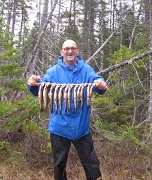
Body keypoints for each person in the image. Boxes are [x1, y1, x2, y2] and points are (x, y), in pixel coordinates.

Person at [27, 39, 107, 180]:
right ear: (61, 52)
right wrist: (33, 84)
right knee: (59, 165)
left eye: (73, 48)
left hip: (81, 128)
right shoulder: (53, 72)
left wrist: (100, 84)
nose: (70, 51)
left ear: (77, 51)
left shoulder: (87, 70)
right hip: (59, 128)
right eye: (67, 48)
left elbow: (97, 81)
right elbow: (40, 87)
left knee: (92, 164)